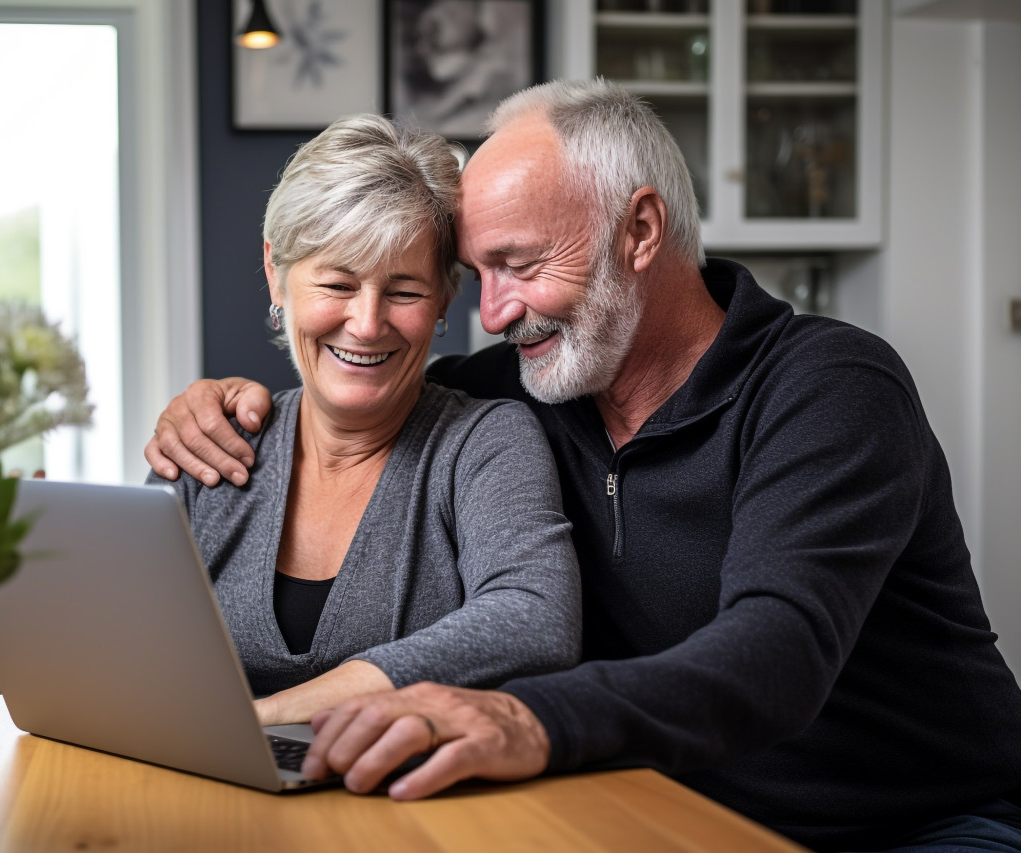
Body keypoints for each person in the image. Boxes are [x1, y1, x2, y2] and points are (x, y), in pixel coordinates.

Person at [145, 80, 1021, 852]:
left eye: (518, 265)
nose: (491, 313)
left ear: (641, 229)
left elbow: (779, 655)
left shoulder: (829, 386)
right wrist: (221, 402)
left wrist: (529, 717)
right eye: (474, 274)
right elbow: (367, 374)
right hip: (661, 805)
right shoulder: (527, 380)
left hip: (912, 824)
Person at [146, 114, 581, 729]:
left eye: (404, 291)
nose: (368, 323)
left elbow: (534, 618)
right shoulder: (211, 442)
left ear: (443, 303)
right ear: (276, 274)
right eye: (337, 283)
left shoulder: (484, 444)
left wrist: (265, 719)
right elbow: (122, 647)